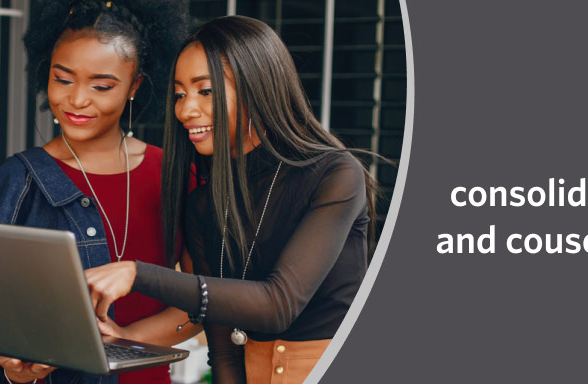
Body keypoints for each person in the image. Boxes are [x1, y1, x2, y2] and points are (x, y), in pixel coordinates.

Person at [85, 15, 378, 383]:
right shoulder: (204, 205)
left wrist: (137, 274)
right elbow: (223, 347)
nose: (185, 109)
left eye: (204, 91)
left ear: (257, 87)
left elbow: (278, 304)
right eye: (179, 94)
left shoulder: (334, 174)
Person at [0, 1, 197, 383]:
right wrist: (19, 372)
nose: (77, 100)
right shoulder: (15, 184)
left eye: (101, 86)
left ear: (135, 86)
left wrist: (123, 342)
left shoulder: (175, 174)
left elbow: (199, 303)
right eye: (62, 79)